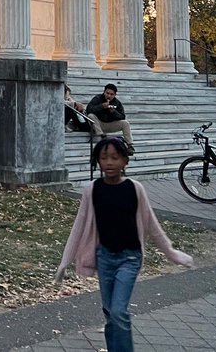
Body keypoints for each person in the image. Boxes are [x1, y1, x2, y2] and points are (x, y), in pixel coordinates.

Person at [54, 136, 194, 352]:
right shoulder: (92, 190)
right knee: (110, 313)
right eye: (103, 158)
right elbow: (79, 227)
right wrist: (64, 263)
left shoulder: (135, 189)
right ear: (97, 162)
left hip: (129, 259)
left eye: (114, 157)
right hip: (105, 259)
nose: (109, 162)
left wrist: (172, 253)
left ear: (125, 161)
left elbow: (152, 225)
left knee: (119, 311)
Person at [86, 83, 135, 152]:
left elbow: (122, 116)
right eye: (107, 93)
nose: (109, 96)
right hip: (98, 124)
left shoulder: (117, 102)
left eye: (112, 94)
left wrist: (114, 112)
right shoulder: (97, 98)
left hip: (110, 124)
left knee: (125, 123)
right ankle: (102, 136)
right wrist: (101, 106)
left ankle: (130, 145)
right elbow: (89, 109)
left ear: (115, 95)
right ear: (104, 92)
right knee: (90, 116)